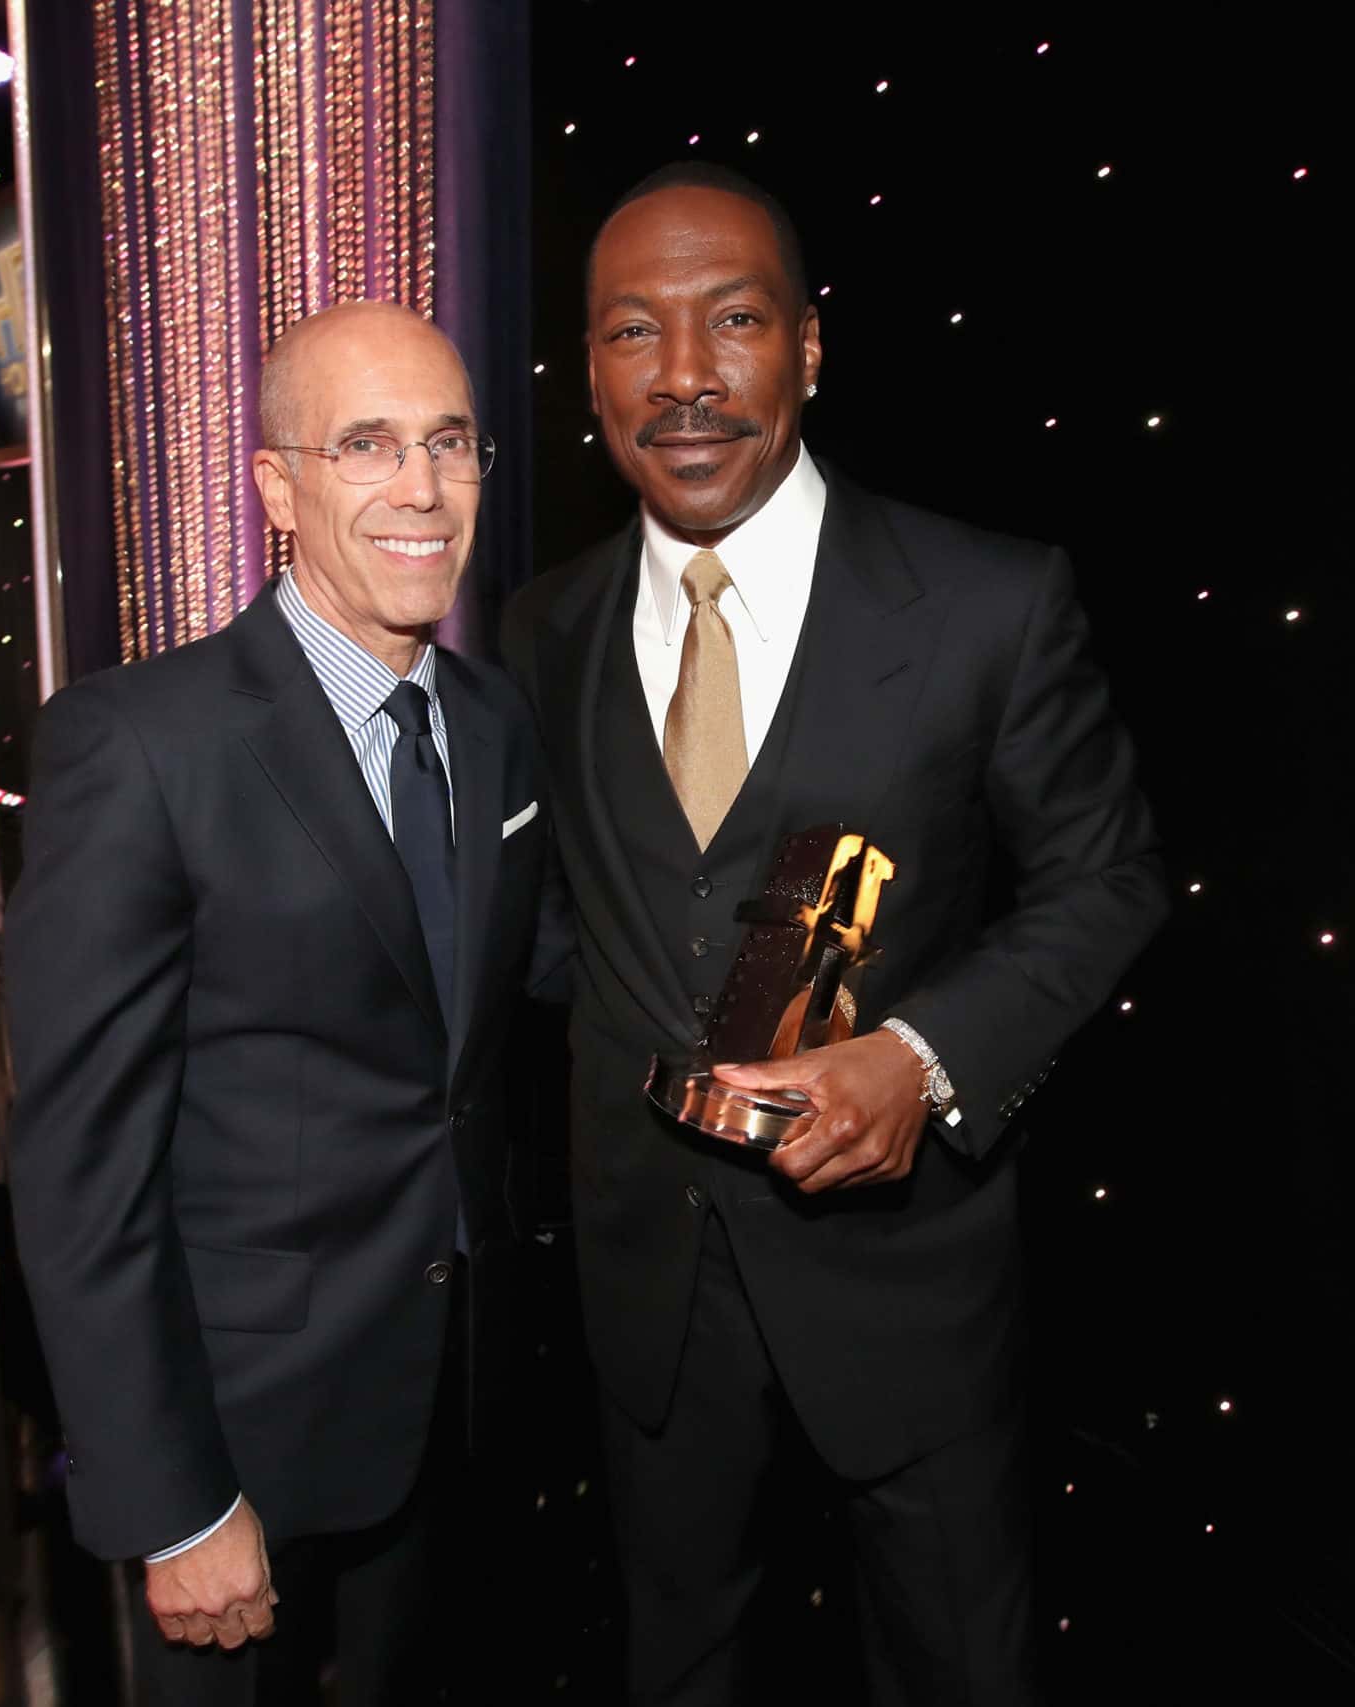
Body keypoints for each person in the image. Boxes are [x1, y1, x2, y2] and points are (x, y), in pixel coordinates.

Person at [500, 165, 1170, 1706]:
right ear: (590, 372)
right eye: (631, 333)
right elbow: (566, 921)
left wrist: (926, 1056)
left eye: (732, 321)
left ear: (808, 346)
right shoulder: (547, 628)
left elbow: (1110, 875)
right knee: (680, 1662)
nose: (682, 375)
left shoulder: (989, 602)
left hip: (907, 1281)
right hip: (646, 1288)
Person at [7, 301, 563, 1704]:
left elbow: (511, 992)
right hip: (234, 1442)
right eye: (365, 445)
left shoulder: (492, 722)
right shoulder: (138, 746)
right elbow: (81, 1173)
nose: (421, 490)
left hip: (450, 1401)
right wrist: (171, 1502)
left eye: (450, 444)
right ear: (276, 487)